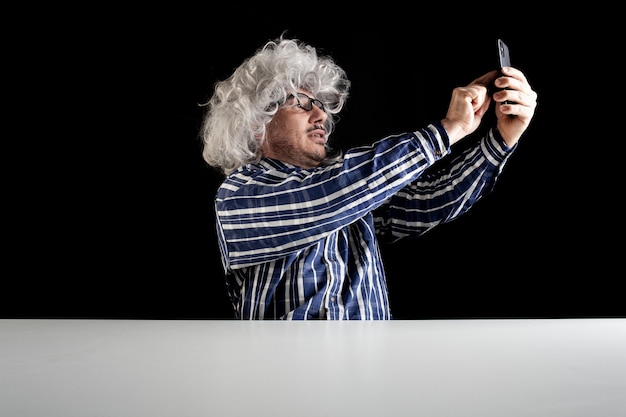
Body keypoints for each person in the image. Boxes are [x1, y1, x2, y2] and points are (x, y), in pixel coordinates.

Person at [199, 35, 537, 320]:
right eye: (302, 104)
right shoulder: (239, 194)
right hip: (290, 386)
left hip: (369, 379)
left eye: (321, 105)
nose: (321, 116)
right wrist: (448, 130)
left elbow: (431, 199)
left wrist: (501, 140)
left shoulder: (355, 198)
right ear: (258, 121)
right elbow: (327, 196)